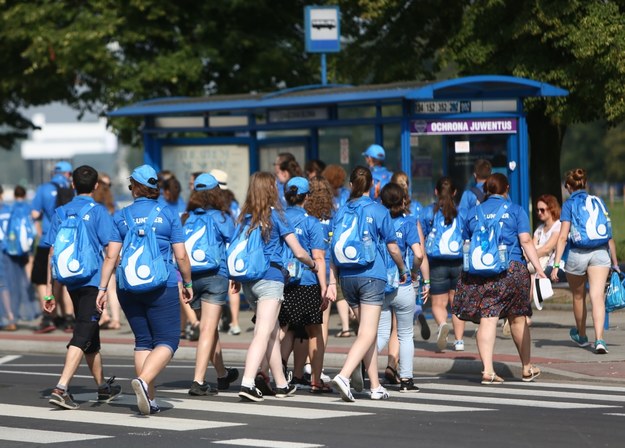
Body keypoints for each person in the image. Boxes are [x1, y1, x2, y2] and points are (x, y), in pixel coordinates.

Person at [96, 164, 194, 415]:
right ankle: (143, 382)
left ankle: (149, 399)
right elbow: (181, 256)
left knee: (143, 341)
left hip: (128, 286)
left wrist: (103, 288)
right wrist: (188, 282)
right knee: (169, 339)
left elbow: (110, 257)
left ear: (135, 188)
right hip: (162, 285)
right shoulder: (169, 213)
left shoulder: (121, 216)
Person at [453, 173, 545, 384]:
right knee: (518, 317)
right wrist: (539, 269)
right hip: (512, 270)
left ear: (486, 190)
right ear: (507, 189)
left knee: (488, 317)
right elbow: (526, 241)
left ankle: (487, 370)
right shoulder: (515, 210)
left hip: (481, 272)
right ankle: (526, 367)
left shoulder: (473, 213)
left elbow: (466, 244)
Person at [234, 172, 319, 402]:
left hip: (249, 281)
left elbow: (235, 249)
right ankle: (248, 382)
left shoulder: (245, 217)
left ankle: (281, 383)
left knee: (271, 332)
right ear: (272, 190)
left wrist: (234, 278)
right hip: (271, 280)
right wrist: (313, 265)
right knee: (263, 332)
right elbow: (299, 251)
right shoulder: (277, 217)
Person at [44, 165, 122, 410]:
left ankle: (102, 388)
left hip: (71, 281)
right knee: (82, 333)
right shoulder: (99, 212)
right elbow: (112, 249)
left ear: (73, 185)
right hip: (92, 282)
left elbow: (52, 253)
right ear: (96, 186)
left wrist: (49, 290)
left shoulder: (60, 212)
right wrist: (105, 285)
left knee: (90, 335)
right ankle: (62, 388)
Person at [329, 165, 409, 402]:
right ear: (373, 186)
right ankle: (344, 375)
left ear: (351, 186)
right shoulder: (379, 210)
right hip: (372, 275)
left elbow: (332, 250)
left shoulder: (341, 211)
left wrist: (332, 281)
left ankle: (374, 385)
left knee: (369, 334)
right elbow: (393, 247)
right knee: (368, 332)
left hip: (348, 277)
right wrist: (403, 269)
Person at [551, 168, 619, 354]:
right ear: (585, 184)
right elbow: (609, 236)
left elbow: (563, 237)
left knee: (579, 296)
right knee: (597, 296)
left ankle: (582, 336)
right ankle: (600, 340)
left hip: (578, 254)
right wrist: (614, 263)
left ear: (568, 187)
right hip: (600, 253)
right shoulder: (599, 201)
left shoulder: (569, 204)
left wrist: (556, 265)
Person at [184, 173, 237, 396]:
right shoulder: (222, 218)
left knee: (209, 327)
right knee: (207, 328)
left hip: (192, 278)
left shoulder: (185, 218)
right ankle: (198, 381)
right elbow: (233, 247)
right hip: (216, 275)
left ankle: (222, 374)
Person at [278, 177, 329, 393]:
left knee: (282, 328)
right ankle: (316, 380)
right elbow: (318, 258)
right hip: (307, 282)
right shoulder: (311, 222)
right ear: (307, 197)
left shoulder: (277, 218)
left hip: (280, 280)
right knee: (314, 331)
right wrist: (325, 287)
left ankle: (269, 370)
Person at [378, 182, 428, 392]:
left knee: (379, 333)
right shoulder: (408, 223)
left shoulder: (378, 221)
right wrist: (415, 272)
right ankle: (407, 380)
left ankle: (362, 367)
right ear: (403, 200)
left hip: (380, 284)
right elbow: (418, 254)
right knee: (405, 334)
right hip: (404, 283)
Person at [420, 177, 467, 352]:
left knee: (438, 303)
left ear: (436, 191)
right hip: (458, 262)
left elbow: (421, 238)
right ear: (455, 193)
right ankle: (460, 341)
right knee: (457, 303)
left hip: (436, 263)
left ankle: (442, 325)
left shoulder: (428, 212)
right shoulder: (462, 213)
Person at [31, 161, 75, 333]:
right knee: (65, 281)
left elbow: (35, 214)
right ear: (68, 174)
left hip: (47, 241)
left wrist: (40, 231)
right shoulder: (73, 189)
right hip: (69, 241)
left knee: (42, 280)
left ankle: (49, 316)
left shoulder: (43, 189)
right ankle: (69, 318)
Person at [210, 168, 242, 333]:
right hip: (234, 245)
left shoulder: (214, 202)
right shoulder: (233, 201)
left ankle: (214, 322)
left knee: (216, 285)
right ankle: (235, 323)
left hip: (221, 246)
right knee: (233, 286)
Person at [3, 186, 38, 323]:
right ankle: (29, 303)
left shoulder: (10, 208)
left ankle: (14, 311)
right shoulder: (28, 207)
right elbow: (34, 228)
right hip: (26, 248)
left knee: (12, 280)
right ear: (24, 194)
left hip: (11, 248)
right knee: (26, 275)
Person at [92, 173, 122, 330]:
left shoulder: (95, 209)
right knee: (112, 287)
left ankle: (104, 315)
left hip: (100, 251)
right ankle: (116, 319)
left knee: (100, 285)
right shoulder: (112, 207)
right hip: (114, 247)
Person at [0, 185, 17, 330]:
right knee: (7, 285)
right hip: (10, 252)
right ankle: (11, 316)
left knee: (3, 285)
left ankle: (9, 316)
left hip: (1, 251)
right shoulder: (9, 209)